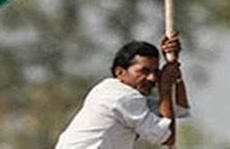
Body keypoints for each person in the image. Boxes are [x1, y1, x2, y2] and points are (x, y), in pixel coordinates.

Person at [55, 33, 190, 148]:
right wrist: (165, 87)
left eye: (156, 72)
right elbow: (167, 137)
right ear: (120, 72)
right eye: (144, 71)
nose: (153, 78)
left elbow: (178, 108)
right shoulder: (123, 97)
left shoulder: (133, 99)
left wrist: (174, 70)